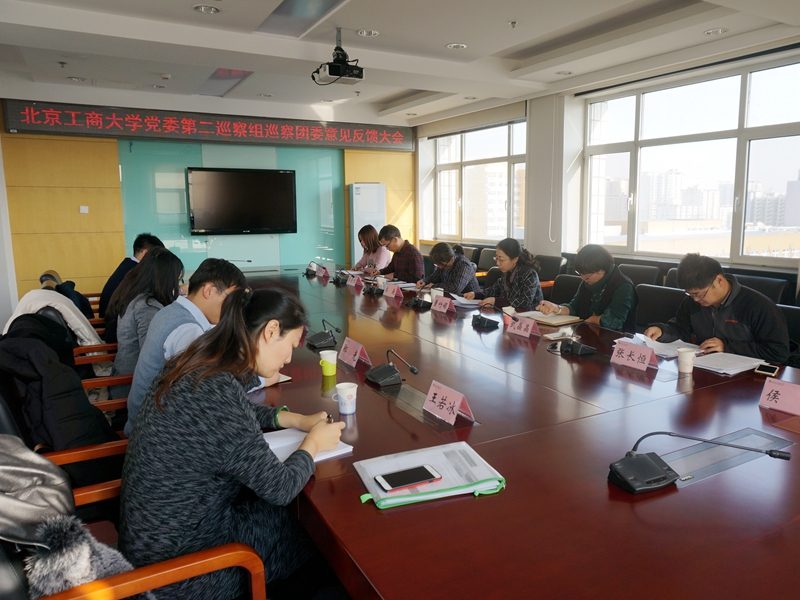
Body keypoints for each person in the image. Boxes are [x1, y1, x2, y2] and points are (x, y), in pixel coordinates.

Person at [119, 287, 346, 599]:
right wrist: (314, 443)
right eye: (290, 346)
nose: (289, 359)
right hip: (182, 570)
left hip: (154, 542)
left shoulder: (199, 361)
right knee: (309, 530)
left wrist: (292, 419)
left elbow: (234, 413)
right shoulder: (216, 392)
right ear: (271, 331)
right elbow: (280, 488)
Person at [123, 258, 247, 437]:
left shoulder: (172, 310)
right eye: (232, 299)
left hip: (143, 419)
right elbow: (206, 390)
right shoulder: (188, 329)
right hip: (153, 433)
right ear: (209, 290)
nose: (233, 308)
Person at [644, 253, 790, 363]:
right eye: (690, 294)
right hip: (707, 369)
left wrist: (726, 346)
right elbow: (681, 330)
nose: (695, 299)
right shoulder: (692, 302)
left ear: (719, 280)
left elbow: (778, 352)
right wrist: (662, 331)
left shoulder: (758, 306)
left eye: (700, 294)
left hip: (748, 379)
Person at [105, 248, 184, 399]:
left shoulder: (135, 295)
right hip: (133, 387)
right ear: (165, 278)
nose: (175, 285)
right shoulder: (148, 307)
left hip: (127, 377)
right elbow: (152, 357)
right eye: (176, 279)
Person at [536, 244, 637, 332]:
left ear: (601, 270)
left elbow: (613, 322)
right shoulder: (587, 283)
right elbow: (574, 307)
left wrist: (592, 319)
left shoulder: (623, 286)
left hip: (617, 340)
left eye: (587, 276)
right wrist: (556, 308)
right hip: (589, 334)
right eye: (580, 274)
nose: (583, 278)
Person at [463, 238, 543, 311]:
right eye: (496, 258)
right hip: (510, 314)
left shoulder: (529, 274)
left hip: (531, 317)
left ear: (515, 259)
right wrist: (476, 295)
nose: (498, 263)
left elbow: (525, 302)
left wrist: (496, 301)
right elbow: (494, 290)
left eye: (501, 259)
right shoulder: (507, 272)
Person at [99, 233, 164, 318]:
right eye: (157, 256)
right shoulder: (136, 271)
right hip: (116, 320)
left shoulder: (128, 265)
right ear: (145, 253)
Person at [415, 243, 480, 295]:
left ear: (452, 259)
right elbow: (435, 276)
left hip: (470, 301)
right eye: (437, 265)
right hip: (451, 299)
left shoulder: (464, 265)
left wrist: (434, 286)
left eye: (442, 265)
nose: (440, 267)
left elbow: (456, 288)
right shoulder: (444, 262)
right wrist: (424, 281)